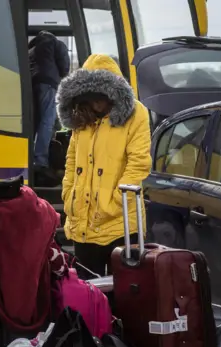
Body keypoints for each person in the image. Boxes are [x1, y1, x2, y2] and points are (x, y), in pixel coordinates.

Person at [57, 54, 151, 277]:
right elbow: (71, 161)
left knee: (127, 291)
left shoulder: (136, 114)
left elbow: (138, 164)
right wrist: (69, 194)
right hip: (83, 221)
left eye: (102, 96)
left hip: (121, 222)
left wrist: (115, 202)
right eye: (91, 97)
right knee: (88, 292)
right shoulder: (81, 118)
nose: (97, 102)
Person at [28, 31, 70, 185]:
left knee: (37, 123)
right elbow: (64, 66)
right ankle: (40, 160)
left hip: (32, 84)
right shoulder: (56, 43)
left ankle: (34, 155)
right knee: (47, 121)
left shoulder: (32, 48)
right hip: (49, 84)